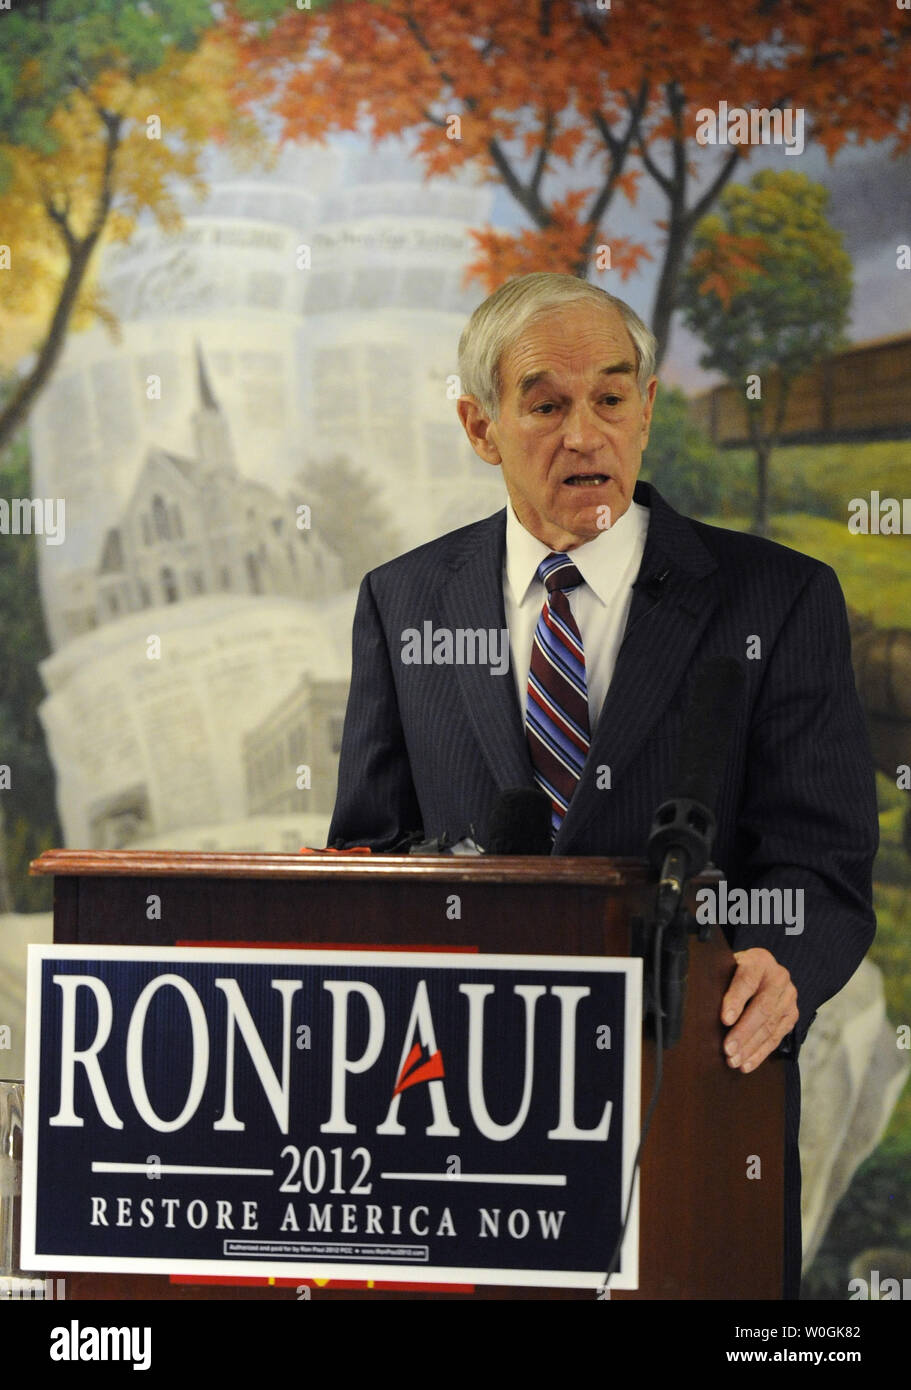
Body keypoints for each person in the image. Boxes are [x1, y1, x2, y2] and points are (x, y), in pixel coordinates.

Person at [327, 271, 879, 1297]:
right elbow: (367, 852)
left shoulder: (777, 598)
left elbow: (824, 863)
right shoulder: (402, 602)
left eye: (611, 399)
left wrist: (778, 961)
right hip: (454, 1111)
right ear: (479, 426)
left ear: (646, 408)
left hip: (697, 1098)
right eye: (544, 404)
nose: (585, 435)